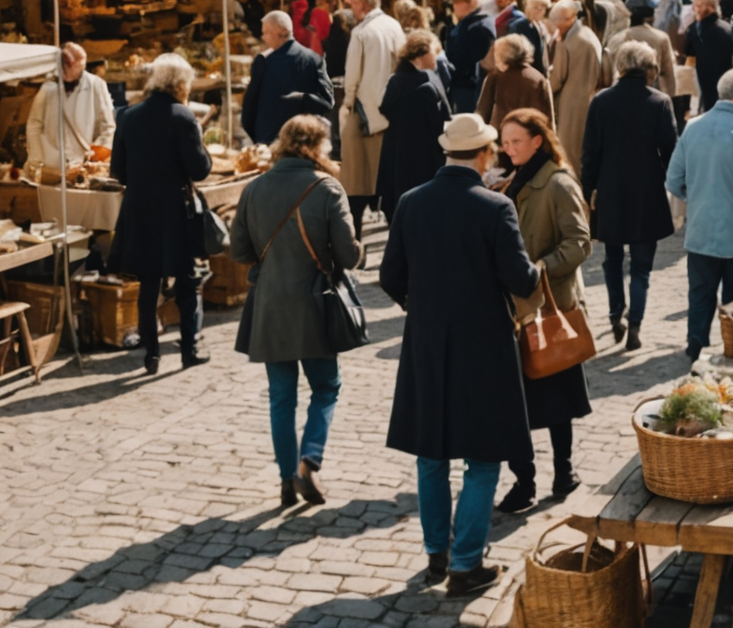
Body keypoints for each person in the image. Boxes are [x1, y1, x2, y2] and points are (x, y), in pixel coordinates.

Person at [381, 114, 542, 598]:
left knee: (431, 455)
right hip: (482, 344)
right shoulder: (494, 207)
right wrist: (537, 270)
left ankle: (438, 554)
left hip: (428, 340)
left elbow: (391, 276)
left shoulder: (411, 202)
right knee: (483, 454)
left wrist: (423, 304)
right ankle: (466, 564)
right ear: (484, 154)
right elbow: (520, 278)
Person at [227, 114, 362, 509]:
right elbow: (350, 255)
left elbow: (237, 251)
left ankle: (287, 478)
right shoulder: (327, 187)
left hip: (270, 306)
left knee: (281, 398)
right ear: (318, 146)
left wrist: (267, 266)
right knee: (325, 387)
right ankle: (310, 459)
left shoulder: (255, 187)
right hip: (317, 303)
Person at [491, 109, 594, 513]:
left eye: (516, 141)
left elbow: (580, 243)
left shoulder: (557, 182)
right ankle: (525, 480)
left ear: (538, 140)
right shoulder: (513, 179)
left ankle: (563, 470)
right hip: (514, 307)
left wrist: (536, 271)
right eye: (505, 140)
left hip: (549, 306)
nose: (508, 147)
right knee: (518, 399)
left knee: (555, 394)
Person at [109, 53, 213, 375]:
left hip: (140, 207)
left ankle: (151, 355)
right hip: (174, 208)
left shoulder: (128, 115)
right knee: (185, 282)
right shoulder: (183, 117)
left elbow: (118, 172)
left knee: (148, 283)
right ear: (180, 84)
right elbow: (200, 169)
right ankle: (188, 351)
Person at [664, 67, 733, 361]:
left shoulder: (694, 126)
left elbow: (673, 181)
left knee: (700, 296)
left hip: (700, 233)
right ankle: (732, 353)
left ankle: (695, 348)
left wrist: (698, 197)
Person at [583, 41, 677, 352]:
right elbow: (670, 151)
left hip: (610, 189)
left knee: (612, 259)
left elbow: (590, 153)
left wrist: (588, 190)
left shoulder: (601, 101)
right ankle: (635, 322)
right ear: (648, 67)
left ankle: (614, 316)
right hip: (647, 190)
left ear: (619, 66)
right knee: (641, 265)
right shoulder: (659, 101)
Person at [340, 0, 405, 224]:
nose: (351, 5)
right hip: (391, 109)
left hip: (365, 110)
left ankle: (355, 231)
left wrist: (347, 105)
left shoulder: (362, 33)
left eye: (354, 2)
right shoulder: (393, 25)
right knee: (384, 174)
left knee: (356, 177)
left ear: (364, 4)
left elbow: (352, 76)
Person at [376, 31, 450, 222]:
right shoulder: (425, 84)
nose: (437, 56)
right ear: (421, 54)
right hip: (424, 155)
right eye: (434, 52)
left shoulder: (397, 80)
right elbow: (440, 121)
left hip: (398, 152)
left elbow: (385, 109)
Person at [241, 10, 335, 148]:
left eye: (266, 32)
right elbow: (326, 102)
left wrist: (258, 138)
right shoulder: (313, 59)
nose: (263, 37)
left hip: (270, 142)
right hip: (304, 142)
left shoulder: (264, 63)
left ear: (283, 33)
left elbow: (249, 108)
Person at [26, 43, 116, 171]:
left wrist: (95, 153)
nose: (67, 68)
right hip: (51, 164)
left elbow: (109, 128)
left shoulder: (96, 85)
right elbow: (34, 124)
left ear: (81, 65)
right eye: (64, 64)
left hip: (83, 165)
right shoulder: (48, 87)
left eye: (70, 64)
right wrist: (36, 159)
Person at [545, 0, 602, 167]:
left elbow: (557, 78)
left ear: (570, 19)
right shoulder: (588, 34)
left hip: (572, 102)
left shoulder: (568, 42)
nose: (557, 28)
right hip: (590, 97)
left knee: (569, 150)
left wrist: (544, 85)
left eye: (559, 24)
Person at [476, 34, 554, 131]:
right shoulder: (539, 79)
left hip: (502, 139)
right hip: (531, 139)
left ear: (505, 56)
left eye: (497, 53)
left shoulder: (495, 78)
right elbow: (549, 120)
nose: (495, 58)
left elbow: (482, 114)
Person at [443, 0, 497, 116]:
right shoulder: (469, 23)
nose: (453, 5)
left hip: (469, 89)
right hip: (463, 87)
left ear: (470, 2)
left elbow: (471, 62)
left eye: (457, 0)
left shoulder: (478, 26)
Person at [683, 0, 733, 115]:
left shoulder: (694, 29)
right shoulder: (728, 27)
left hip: (704, 78)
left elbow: (688, 52)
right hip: (726, 77)